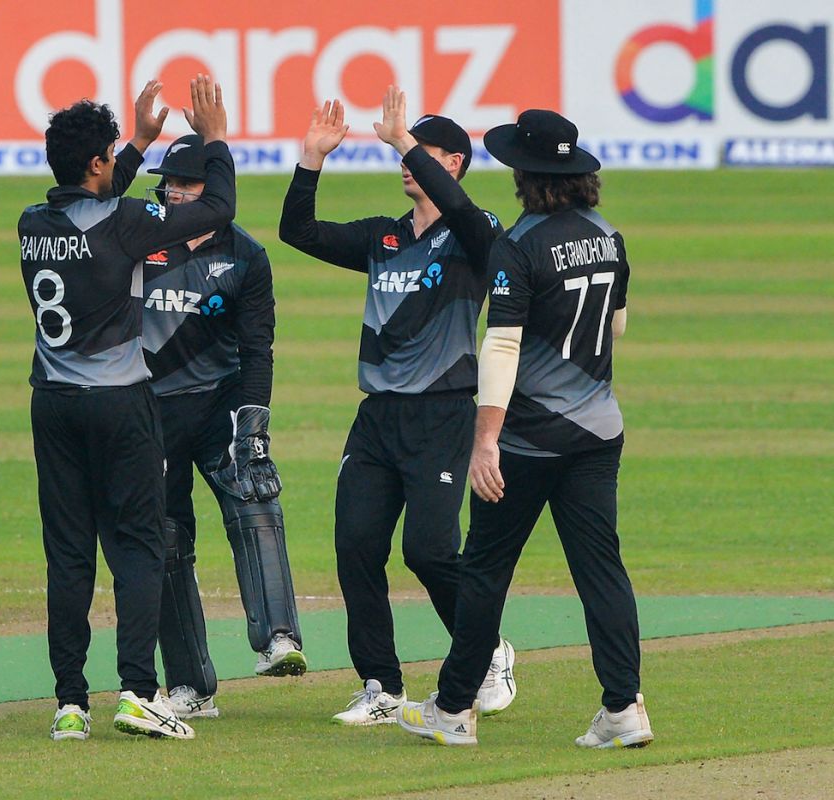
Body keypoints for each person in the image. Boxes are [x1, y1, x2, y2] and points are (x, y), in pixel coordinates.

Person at [396, 109, 652, 749]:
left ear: (525, 173)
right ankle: (625, 709)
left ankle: (454, 710)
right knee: (602, 573)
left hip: (529, 440)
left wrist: (485, 439)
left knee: (484, 573)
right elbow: (616, 326)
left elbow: (502, 346)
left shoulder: (519, 245)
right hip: (598, 431)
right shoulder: (608, 234)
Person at [279, 88, 515, 725]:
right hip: (378, 418)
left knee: (430, 550)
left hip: (442, 414)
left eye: (427, 154)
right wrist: (311, 160)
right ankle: (381, 686)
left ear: (455, 164)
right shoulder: (382, 237)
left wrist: (405, 138)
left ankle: (487, 650)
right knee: (356, 547)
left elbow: (464, 214)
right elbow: (295, 231)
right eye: (409, 153)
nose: (407, 162)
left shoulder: (478, 234)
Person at [21, 77, 236, 741]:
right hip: (121, 404)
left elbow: (99, 209)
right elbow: (218, 208)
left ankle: (69, 704)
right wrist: (217, 134)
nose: (118, 163)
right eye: (111, 154)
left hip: (53, 405)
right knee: (141, 544)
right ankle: (139, 690)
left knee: (68, 555)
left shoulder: (33, 223)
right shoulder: (129, 224)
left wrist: (139, 140)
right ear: (95, 164)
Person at [133, 134, 304, 722]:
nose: (174, 193)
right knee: (165, 536)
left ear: (216, 192)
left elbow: (258, 349)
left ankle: (279, 637)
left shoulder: (246, 256)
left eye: (187, 183)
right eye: (170, 183)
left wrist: (253, 423)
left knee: (255, 495)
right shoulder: (140, 239)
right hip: (149, 408)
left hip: (217, 402)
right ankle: (190, 685)